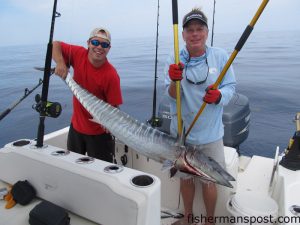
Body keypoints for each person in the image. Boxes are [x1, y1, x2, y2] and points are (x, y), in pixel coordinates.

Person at [164, 8, 236, 225]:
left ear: (206, 32)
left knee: (209, 181)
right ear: (183, 34)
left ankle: (210, 221)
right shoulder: (175, 56)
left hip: (211, 135)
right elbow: (171, 96)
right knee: (185, 179)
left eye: (199, 29)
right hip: (183, 136)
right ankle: (188, 218)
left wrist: (218, 96)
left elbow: (231, 88)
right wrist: (174, 81)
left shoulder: (220, 56)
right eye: (190, 30)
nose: (195, 34)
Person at [52, 27, 123, 163]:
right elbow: (55, 45)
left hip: (99, 135)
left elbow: (113, 108)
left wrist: (109, 123)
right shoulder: (78, 53)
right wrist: (61, 63)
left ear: (109, 48)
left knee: (101, 173)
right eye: (95, 42)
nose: (99, 47)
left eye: (104, 44)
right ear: (88, 43)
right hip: (76, 128)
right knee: (73, 167)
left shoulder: (111, 75)